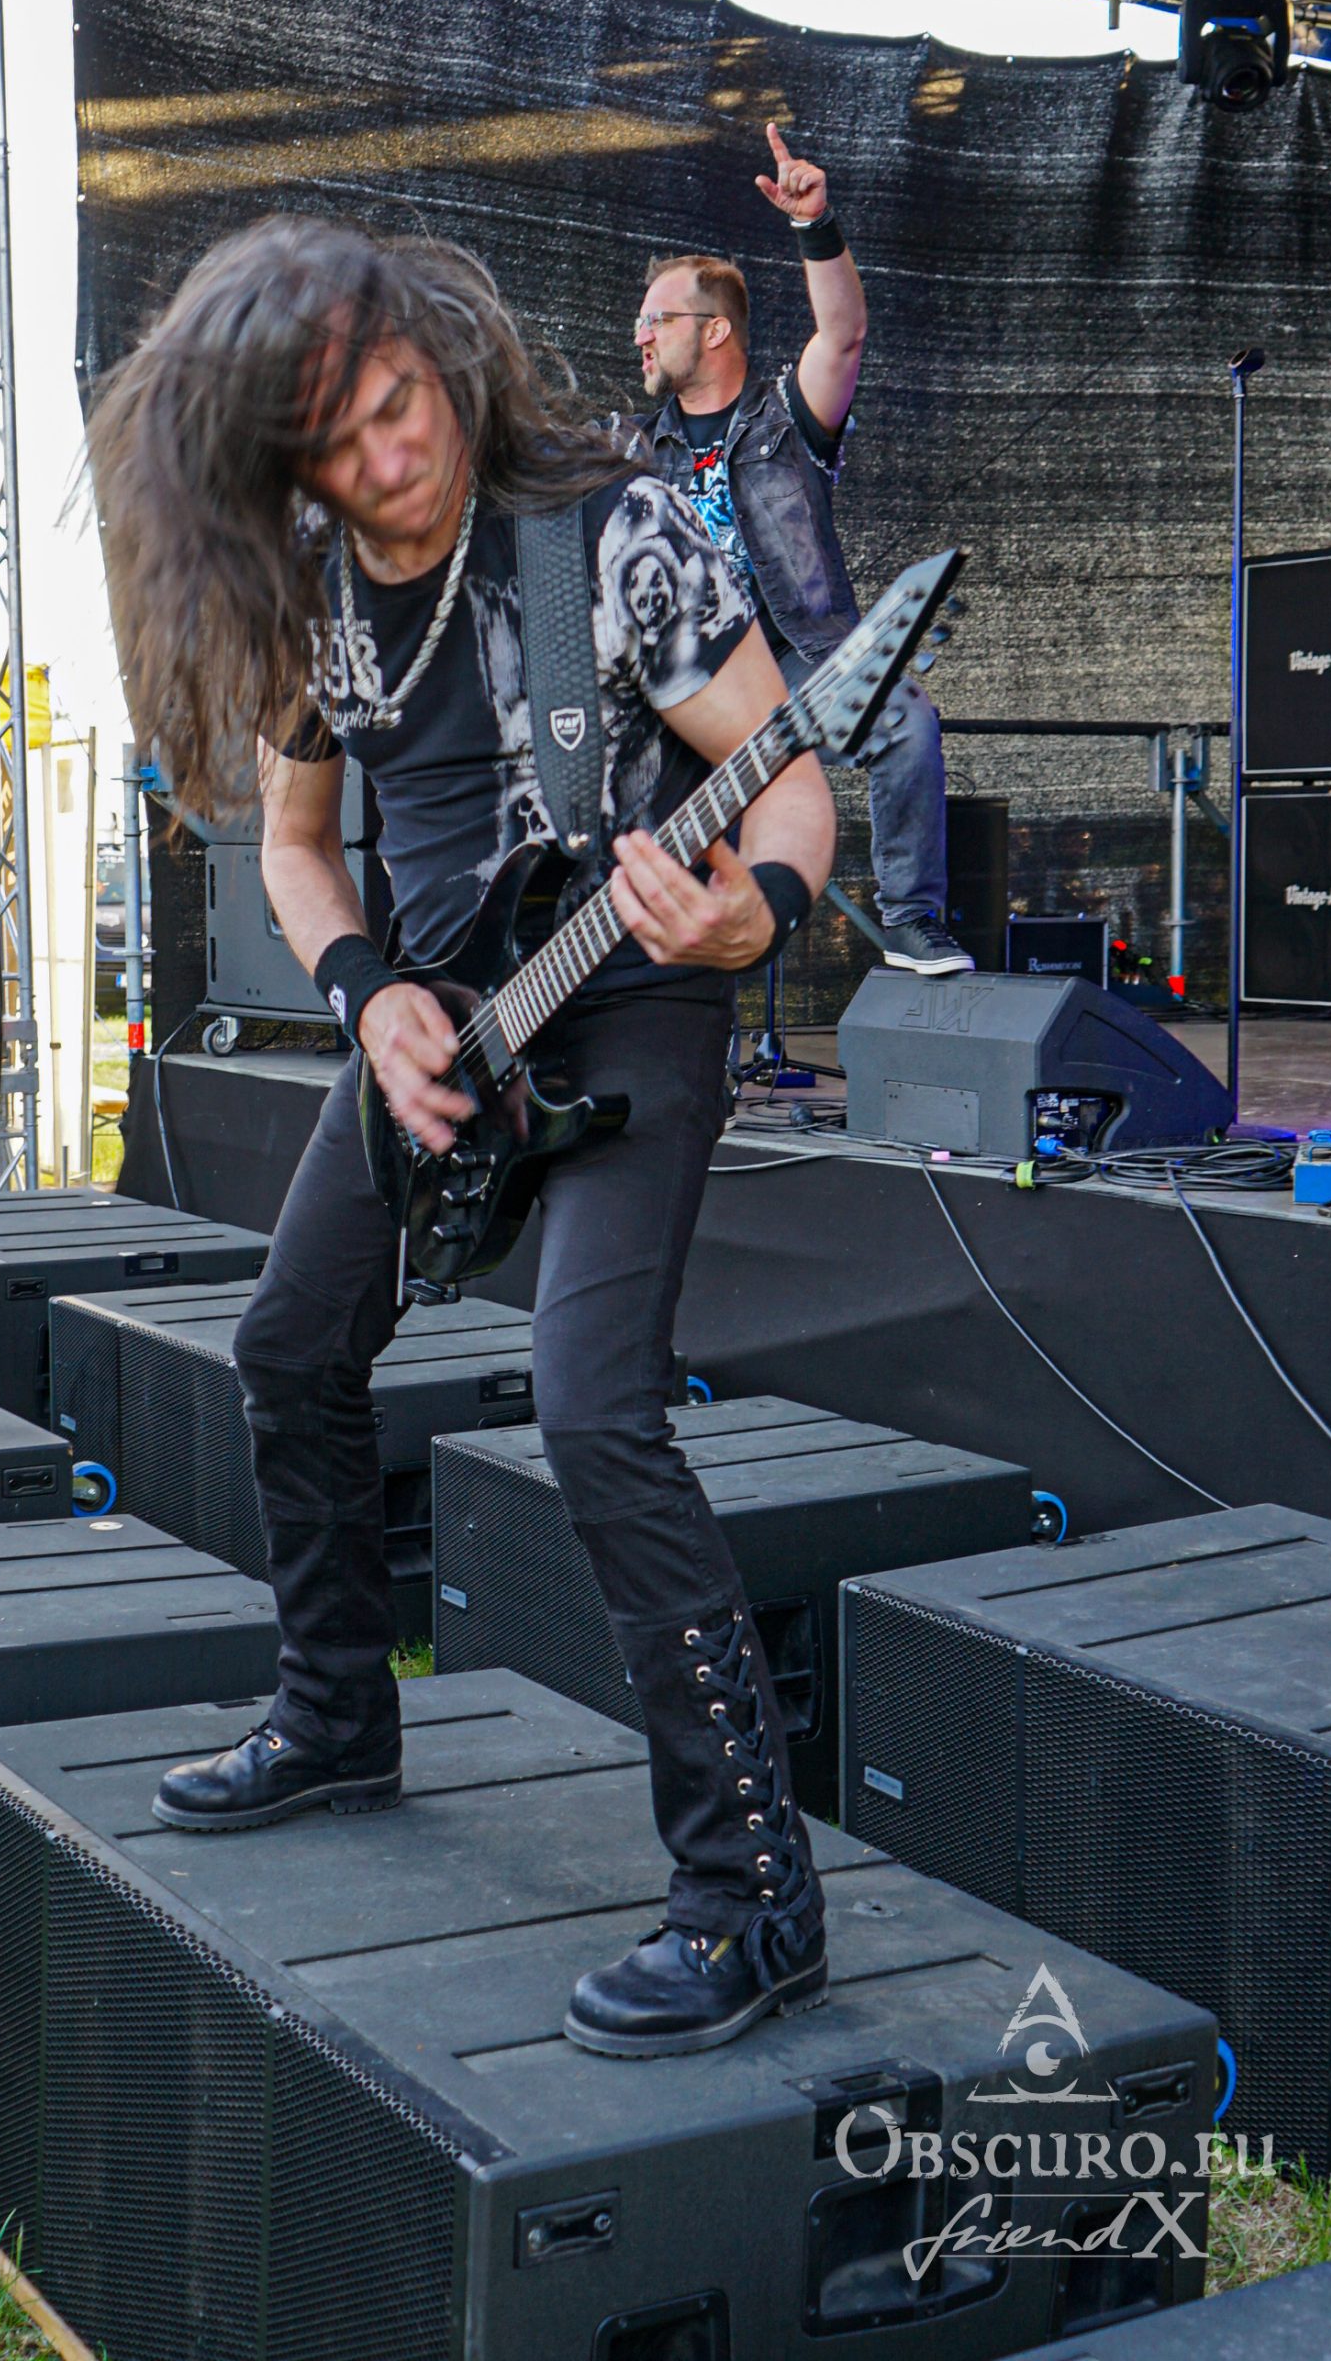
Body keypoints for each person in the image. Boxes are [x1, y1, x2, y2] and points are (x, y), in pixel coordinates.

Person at [87, 214, 836, 2058]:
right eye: (339, 442)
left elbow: (792, 777)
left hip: (632, 1002)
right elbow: (292, 848)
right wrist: (366, 996)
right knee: (287, 1346)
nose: (392, 454)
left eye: (400, 401)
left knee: (592, 1410)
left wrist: (749, 920)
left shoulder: (609, 533)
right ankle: (337, 1713)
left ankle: (750, 1894)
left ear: (441, 354)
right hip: (441, 1031)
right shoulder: (309, 592)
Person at [637, 126, 971, 975]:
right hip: (693, 675)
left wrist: (812, 225)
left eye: (656, 320)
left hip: (796, 658)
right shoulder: (634, 451)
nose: (640, 335)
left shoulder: (785, 418)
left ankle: (909, 921)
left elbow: (843, 336)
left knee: (904, 720)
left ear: (714, 330)